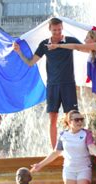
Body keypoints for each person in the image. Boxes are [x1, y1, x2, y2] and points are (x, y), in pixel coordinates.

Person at [13, 17, 81, 149]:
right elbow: (31, 62)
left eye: (59, 29)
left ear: (62, 28)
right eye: (55, 30)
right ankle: (54, 148)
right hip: (52, 85)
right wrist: (19, 52)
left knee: (72, 117)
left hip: (68, 84)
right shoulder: (44, 44)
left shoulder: (69, 41)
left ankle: (72, 145)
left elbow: (84, 48)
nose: (57, 32)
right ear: (49, 29)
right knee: (53, 118)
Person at [47, 29, 96, 126]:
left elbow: (76, 46)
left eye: (87, 37)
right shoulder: (93, 51)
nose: (84, 39)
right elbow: (76, 48)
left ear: (93, 39)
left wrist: (57, 45)